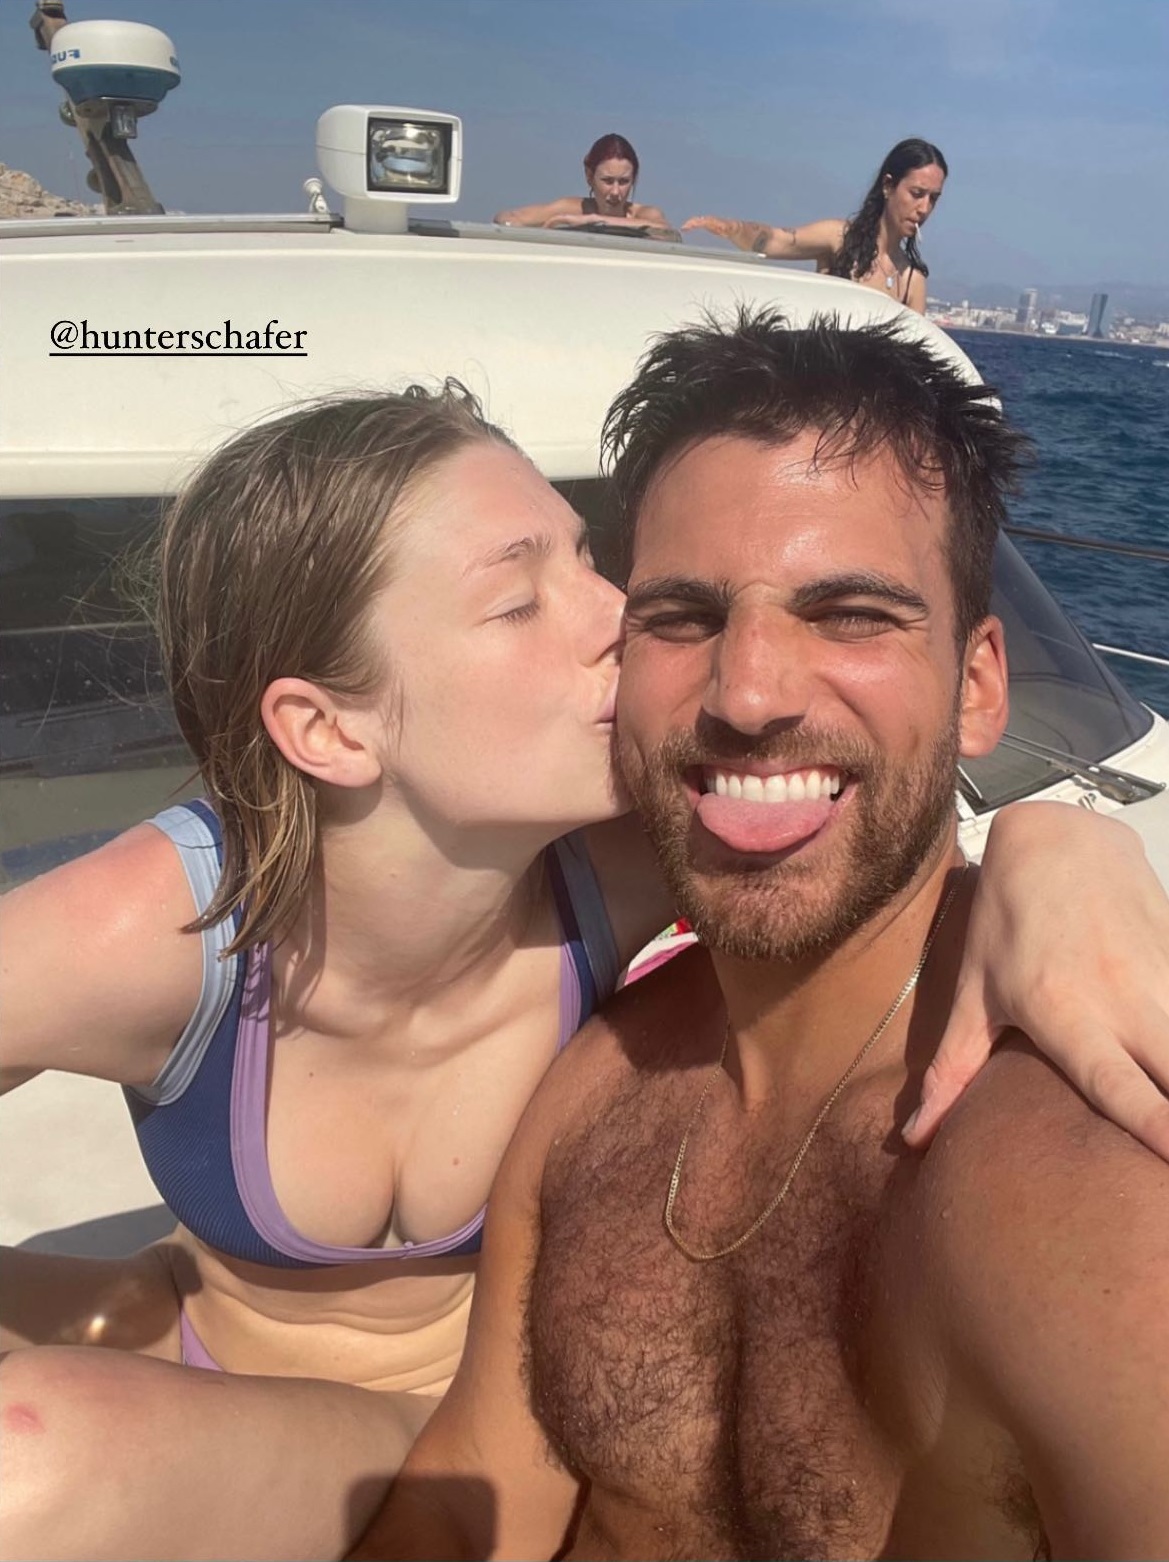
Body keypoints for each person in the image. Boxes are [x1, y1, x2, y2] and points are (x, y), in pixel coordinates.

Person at [1, 382, 1168, 1562]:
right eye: (520, 600)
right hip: (191, 1332)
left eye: (593, 561)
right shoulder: (153, 929)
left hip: (427, 1428)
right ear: (329, 729)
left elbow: (862, 834)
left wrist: (1060, 847)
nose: (626, 618)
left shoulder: (628, 859)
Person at [350, 311, 1169, 1562]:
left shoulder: (1082, 1195)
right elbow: (465, 1504)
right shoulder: (595, 1088)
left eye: (849, 613)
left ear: (977, 685)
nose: (745, 692)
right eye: (681, 616)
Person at [683, 137, 947, 313]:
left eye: (933, 198)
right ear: (888, 185)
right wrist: (731, 228)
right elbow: (778, 241)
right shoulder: (839, 239)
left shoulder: (912, 280)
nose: (924, 208)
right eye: (917, 194)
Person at [493, 132, 675, 236]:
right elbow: (506, 217)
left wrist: (592, 221)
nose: (615, 192)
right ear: (589, 176)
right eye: (607, 181)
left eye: (624, 182)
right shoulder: (570, 209)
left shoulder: (644, 214)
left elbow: (666, 232)